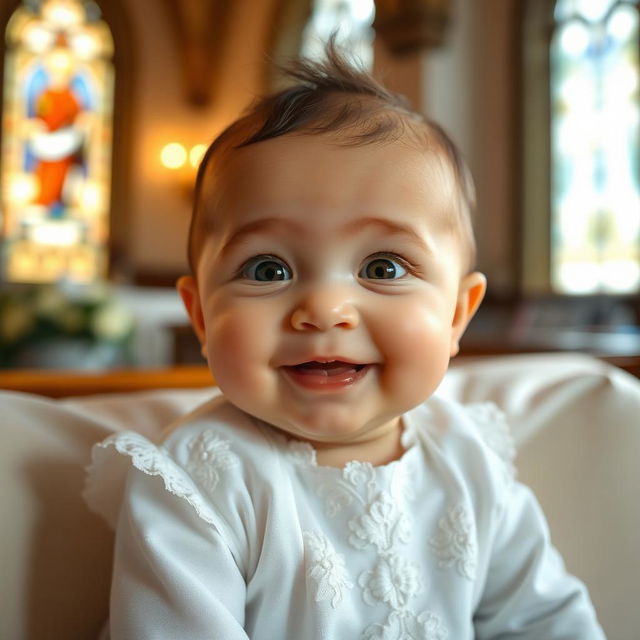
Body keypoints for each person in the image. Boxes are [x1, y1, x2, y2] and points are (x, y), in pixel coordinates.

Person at [85, 44, 605, 639]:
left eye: (383, 268)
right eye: (267, 270)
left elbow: (546, 620)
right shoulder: (200, 476)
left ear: (457, 317)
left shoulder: (469, 458)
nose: (325, 310)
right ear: (201, 318)